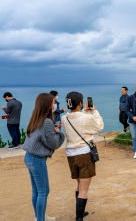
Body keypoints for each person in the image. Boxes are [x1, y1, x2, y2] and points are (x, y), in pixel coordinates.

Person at [22, 93, 65, 221]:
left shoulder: (36, 117)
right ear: (47, 105)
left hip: (29, 157)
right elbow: (53, 143)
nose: (54, 105)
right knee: (43, 191)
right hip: (37, 159)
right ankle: (40, 219)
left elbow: (43, 138)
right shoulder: (47, 121)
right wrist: (59, 134)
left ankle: (39, 216)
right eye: (53, 103)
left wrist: (53, 132)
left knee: (36, 191)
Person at [61, 92, 104, 221]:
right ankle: (79, 218)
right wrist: (94, 111)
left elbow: (79, 124)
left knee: (80, 184)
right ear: (80, 103)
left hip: (71, 155)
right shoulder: (87, 118)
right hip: (84, 154)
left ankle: (81, 212)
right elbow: (99, 127)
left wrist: (84, 112)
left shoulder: (64, 118)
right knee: (84, 189)